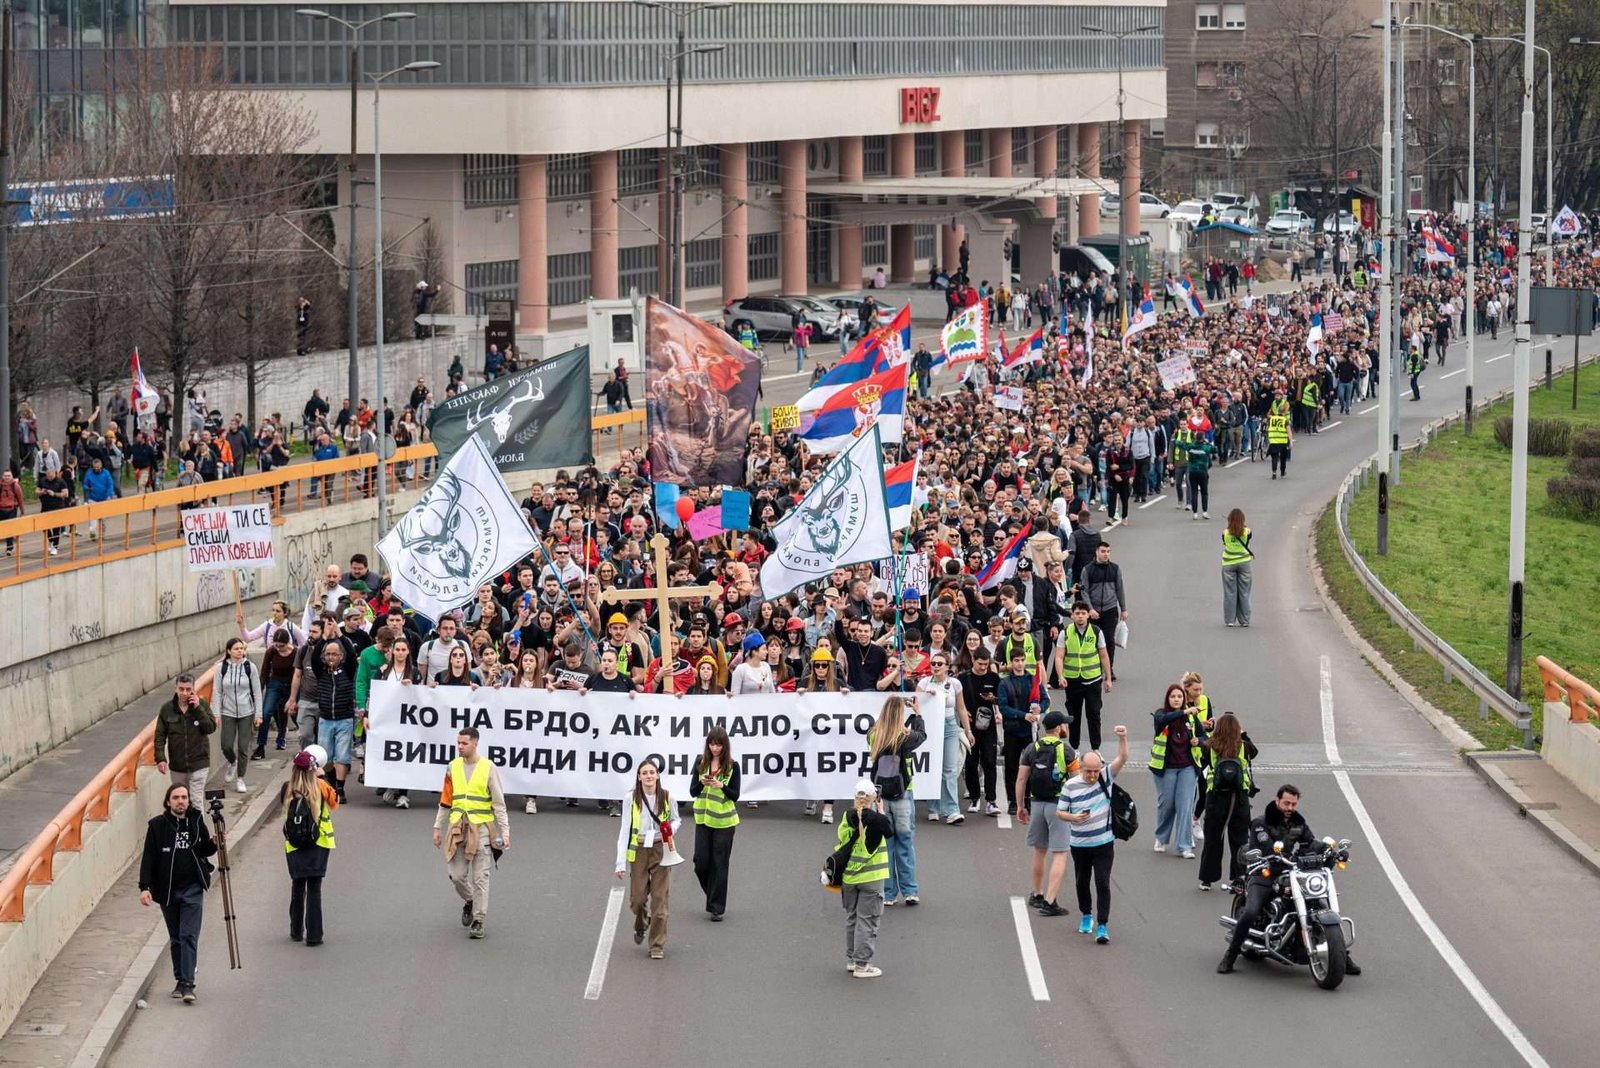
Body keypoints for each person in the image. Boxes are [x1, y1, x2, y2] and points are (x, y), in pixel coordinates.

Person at [1218, 784, 1360, 975]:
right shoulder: (1261, 823)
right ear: (1277, 800)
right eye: (1286, 803)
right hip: (1263, 872)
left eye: (1293, 804)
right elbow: (1266, 846)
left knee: (1319, 905)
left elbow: (1310, 842)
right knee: (1251, 912)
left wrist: (1330, 853)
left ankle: (1341, 956)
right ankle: (1230, 955)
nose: (1290, 808)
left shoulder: (1298, 823)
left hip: (1290, 872)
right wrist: (1277, 855)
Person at [137, 783, 219, 1003]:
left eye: (184, 797)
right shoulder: (157, 826)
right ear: (168, 802)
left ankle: (188, 984)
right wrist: (144, 887)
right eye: (176, 797)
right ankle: (179, 980)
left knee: (188, 935)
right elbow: (149, 858)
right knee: (175, 938)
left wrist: (214, 844)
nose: (181, 801)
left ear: (189, 801)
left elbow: (203, 849)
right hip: (167, 891)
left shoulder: (196, 820)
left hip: (192, 888)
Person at [432, 727, 510, 939]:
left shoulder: (488, 768)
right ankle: (469, 900)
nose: (459, 746)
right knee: (456, 875)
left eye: (464, 743)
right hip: (458, 828)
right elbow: (446, 800)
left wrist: (505, 831)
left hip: (482, 829)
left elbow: (498, 803)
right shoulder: (453, 767)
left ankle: (479, 920)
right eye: (458, 743)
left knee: (481, 878)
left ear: (475, 743)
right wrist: (437, 827)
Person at [1056, 724, 1129, 944]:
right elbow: (1060, 812)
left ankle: (1103, 925)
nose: (1093, 775)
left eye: (1096, 771)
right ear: (1080, 768)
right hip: (1079, 843)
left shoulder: (1105, 778)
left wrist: (1122, 738)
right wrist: (1074, 818)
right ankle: (1086, 915)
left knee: (1103, 883)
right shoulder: (1070, 786)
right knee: (1081, 881)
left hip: (1104, 842)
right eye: (1089, 771)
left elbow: (1122, 758)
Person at [1014, 711, 1081, 915]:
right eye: (1065, 725)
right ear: (1059, 728)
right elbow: (1076, 781)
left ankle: (1037, 893)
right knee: (1060, 853)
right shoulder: (1065, 749)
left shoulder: (1032, 748)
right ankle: (1050, 902)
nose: (1067, 728)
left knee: (1039, 850)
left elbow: (1021, 780)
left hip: (1037, 804)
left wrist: (1020, 806)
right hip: (1058, 805)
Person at [614, 757, 679, 959]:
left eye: (652, 772)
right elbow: (625, 829)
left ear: (658, 775)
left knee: (660, 901)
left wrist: (670, 829)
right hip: (640, 848)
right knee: (637, 900)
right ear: (639, 777)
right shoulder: (630, 798)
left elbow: (677, 819)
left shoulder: (668, 797)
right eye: (645, 773)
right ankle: (642, 922)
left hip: (661, 848)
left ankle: (657, 945)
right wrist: (620, 862)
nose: (649, 776)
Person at [866, 695, 926, 907]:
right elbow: (922, 736)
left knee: (886, 844)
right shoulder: (905, 737)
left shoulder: (874, 735)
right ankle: (910, 890)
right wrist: (917, 714)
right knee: (905, 842)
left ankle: (889, 893)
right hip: (903, 792)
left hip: (880, 795)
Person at [280, 747, 338, 945]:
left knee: (297, 885)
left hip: (294, 846)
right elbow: (335, 802)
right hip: (319, 843)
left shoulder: (287, 788)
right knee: (314, 888)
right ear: (313, 768)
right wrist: (324, 778)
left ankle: (296, 931)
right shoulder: (321, 786)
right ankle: (314, 935)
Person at [837, 777, 893, 978]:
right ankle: (862, 964)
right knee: (867, 921)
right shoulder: (878, 820)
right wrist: (881, 811)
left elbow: (842, 838)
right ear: (873, 798)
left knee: (852, 918)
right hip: (871, 878)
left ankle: (852, 959)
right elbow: (889, 831)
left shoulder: (847, 816)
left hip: (850, 877)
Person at [1197, 712, 1257, 892]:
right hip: (1239, 798)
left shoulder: (1210, 746)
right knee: (1239, 839)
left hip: (1216, 797)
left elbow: (1203, 764)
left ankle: (1207, 879)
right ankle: (1239, 877)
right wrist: (1244, 735)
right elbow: (1254, 753)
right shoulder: (1244, 746)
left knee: (1213, 839)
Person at [688, 725, 740, 921]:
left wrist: (722, 786)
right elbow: (692, 792)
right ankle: (712, 895)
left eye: (718, 745)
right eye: (711, 744)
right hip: (703, 819)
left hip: (724, 822)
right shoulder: (700, 762)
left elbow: (735, 795)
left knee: (720, 863)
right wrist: (702, 782)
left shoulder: (733, 766)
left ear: (724, 745)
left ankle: (717, 907)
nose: (715, 748)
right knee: (700, 862)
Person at [1149, 683, 1205, 859]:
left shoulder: (1191, 718)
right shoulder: (1161, 714)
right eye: (1173, 696)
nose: (1176, 699)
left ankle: (1184, 846)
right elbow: (1161, 721)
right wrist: (1184, 712)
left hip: (1187, 767)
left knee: (1185, 806)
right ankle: (1161, 837)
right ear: (1168, 699)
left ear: (1183, 699)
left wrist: (1199, 742)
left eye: (1179, 697)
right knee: (1167, 805)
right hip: (1166, 768)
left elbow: (1204, 737)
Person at [917, 650, 972, 825]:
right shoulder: (924, 683)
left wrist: (968, 731)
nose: (935, 667)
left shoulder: (955, 684)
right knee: (933, 768)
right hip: (930, 726)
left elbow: (961, 709)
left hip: (949, 726)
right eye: (933, 664)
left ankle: (952, 810)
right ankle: (933, 807)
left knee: (949, 769)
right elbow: (915, 704)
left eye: (940, 664)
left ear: (947, 667)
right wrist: (927, 697)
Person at [1056, 601, 1111, 751]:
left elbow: (1104, 655)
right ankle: (1074, 749)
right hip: (1073, 681)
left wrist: (1108, 678)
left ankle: (1096, 749)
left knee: (1093, 714)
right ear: (1072, 615)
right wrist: (1061, 676)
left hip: (1092, 680)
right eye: (1077, 613)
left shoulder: (1096, 631)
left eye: (1083, 613)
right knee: (1074, 716)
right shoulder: (1065, 633)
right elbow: (1059, 656)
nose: (1080, 616)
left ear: (1088, 615)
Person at [210, 638, 262, 793]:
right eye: (236, 649)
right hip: (228, 711)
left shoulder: (250, 667)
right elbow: (217, 691)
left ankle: (240, 778)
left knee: (243, 746)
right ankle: (232, 762)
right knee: (226, 745)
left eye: (241, 648)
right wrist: (216, 713)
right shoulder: (221, 668)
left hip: (247, 711)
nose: (240, 651)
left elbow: (257, 692)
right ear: (228, 651)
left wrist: (258, 714)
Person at [155, 674, 216, 797]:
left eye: (188, 689)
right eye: (181, 689)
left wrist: (198, 708)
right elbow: (160, 736)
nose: (184, 693)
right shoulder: (167, 709)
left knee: (196, 800)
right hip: (177, 766)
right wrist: (160, 758)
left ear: (193, 689)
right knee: (181, 802)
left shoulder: (202, 705)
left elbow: (210, 728)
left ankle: (198, 817)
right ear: (176, 689)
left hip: (199, 763)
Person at [959, 648, 1002, 815]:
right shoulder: (963, 678)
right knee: (971, 763)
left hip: (988, 725)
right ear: (973, 660)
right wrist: (962, 712)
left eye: (986, 664)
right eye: (980, 664)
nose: (983, 667)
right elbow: (956, 700)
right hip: (969, 725)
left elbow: (1002, 699)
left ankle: (991, 800)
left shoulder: (994, 678)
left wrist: (993, 699)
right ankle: (975, 798)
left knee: (990, 762)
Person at [1221, 509, 1254, 627]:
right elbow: (1248, 538)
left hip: (1228, 563)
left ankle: (1230, 620)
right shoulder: (1247, 531)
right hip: (1244, 563)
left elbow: (1225, 544)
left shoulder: (1225, 533)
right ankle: (1245, 620)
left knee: (1230, 592)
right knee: (1244, 592)